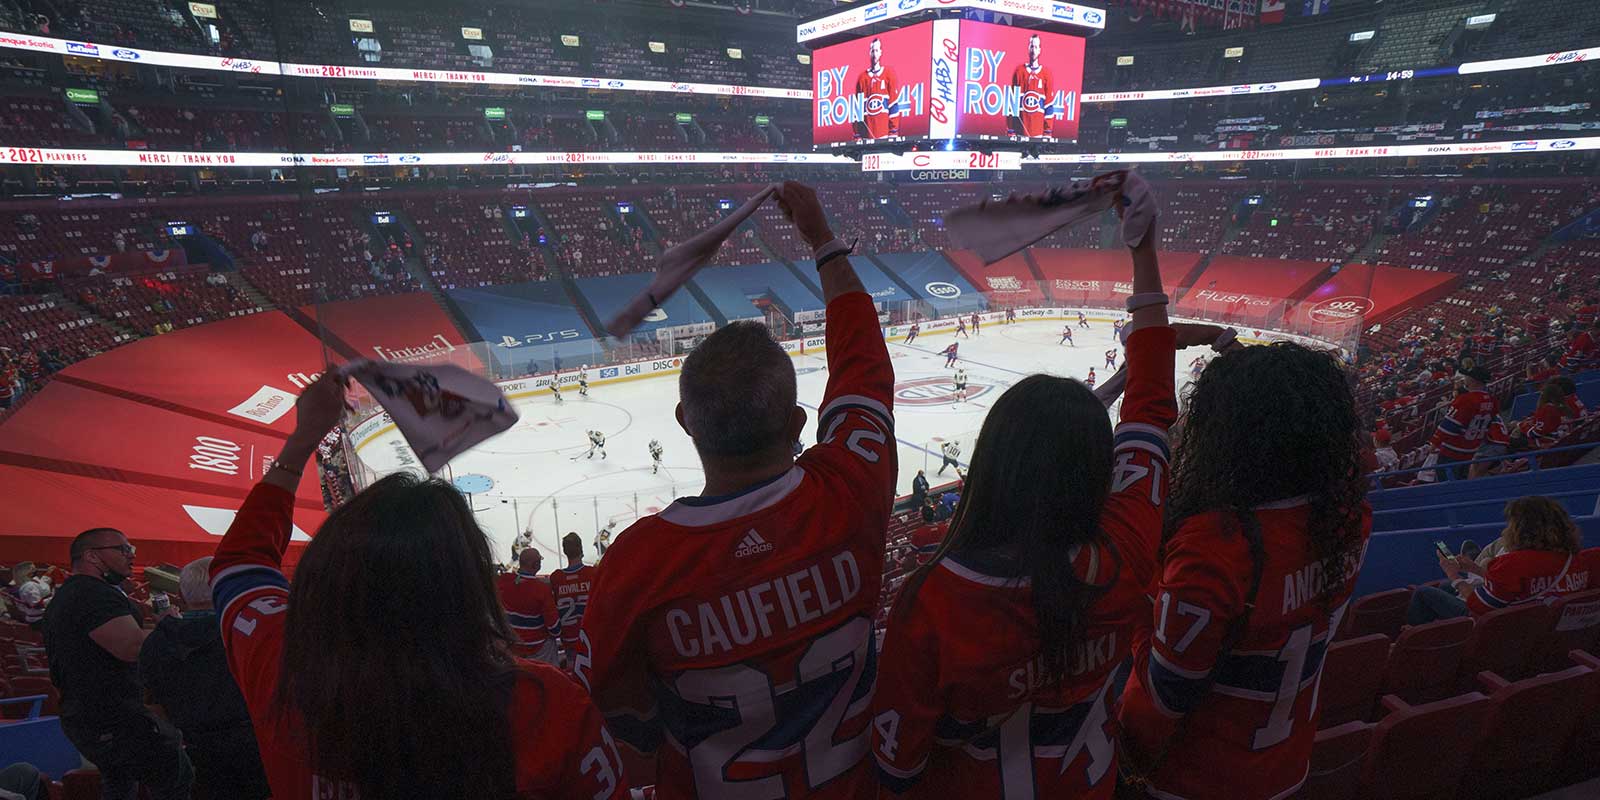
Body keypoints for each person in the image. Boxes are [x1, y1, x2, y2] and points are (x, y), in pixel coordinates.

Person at [574, 181, 896, 800]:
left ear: (684, 422)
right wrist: (823, 241)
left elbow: (617, 718)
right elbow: (865, 371)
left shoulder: (637, 563)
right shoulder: (850, 491)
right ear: (799, 425)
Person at [210, 374, 627, 799]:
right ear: (470, 594)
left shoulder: (278, 668)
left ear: (326, 577)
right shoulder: (545, 708)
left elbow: (237, 566)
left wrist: (302, 440)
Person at [874, 219, 1177, 797]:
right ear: (1096, 470)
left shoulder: (933, 601)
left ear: (993, 462)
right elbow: (1150, 417)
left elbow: (897, 772)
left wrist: (1143, 256)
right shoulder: (1129, 550)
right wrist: (1144, 257)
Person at [1119, 339, 1372, 800]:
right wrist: (1236, 353)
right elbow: (1318, 425)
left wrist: (1138, 595)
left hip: (1189, 780)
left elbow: (1166, 695)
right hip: (1286, 768)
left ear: (1224, 434)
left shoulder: (1215, 548)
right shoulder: (1350, 518)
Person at [44, 528, 193, 800]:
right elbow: (131, 647)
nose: (131, 556)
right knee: (177, 778)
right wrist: (170, 628)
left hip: (90, 718)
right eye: (123, 549)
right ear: (92, 556)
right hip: (114, 719)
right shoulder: (94, 595)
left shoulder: (73, 594)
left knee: (120, 785)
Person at [139, 557, 270, 800]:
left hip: (191, 752)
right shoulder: (246, 633)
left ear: (180, 593)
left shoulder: (155, 642)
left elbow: (153, 704)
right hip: (253, 752)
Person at [1409, 497, 1592, 624]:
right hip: (1539, 624)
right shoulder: (1578, 559)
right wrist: (1474, 568)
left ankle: (1415, 640)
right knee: (1444, 587)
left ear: (1521, 529)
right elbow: (1513, 584)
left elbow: (1478, 606)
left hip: (1503, 630)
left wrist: (1454, 574)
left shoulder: (1514, 563)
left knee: (1423, 592)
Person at [1428, 365, 1508, 481]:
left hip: (1453, 450)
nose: (1464, 378)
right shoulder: (1491, 399)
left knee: (1447, 482)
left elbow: (1449, 426)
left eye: (1466, 376)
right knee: (1462, 480)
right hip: (1471, 449)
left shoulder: (1466, 399)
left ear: (1472, 380)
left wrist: (1434, 443)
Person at [498, 549, 562, 664]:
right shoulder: (541, 590)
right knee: (551, 643)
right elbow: (555, 629)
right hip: (537, 648)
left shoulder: (504, 581)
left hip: (513, 646)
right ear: (536, 565)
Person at [548, 533, 597, 666]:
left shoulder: (556, 577)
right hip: (590, 636)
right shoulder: (593, 573)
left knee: (573, 670)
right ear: (581, 549)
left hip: (568, 637)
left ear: (564, 551)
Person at [1008, 33, 1056, 137]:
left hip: (1038, 135)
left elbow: (1049, 105)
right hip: (1020, 133)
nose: (1033, 50)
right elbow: (1013, 103)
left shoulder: (1046, 74)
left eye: (1036, 47)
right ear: (1028, 48)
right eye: (1031, 46)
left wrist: (1047, 132)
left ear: (1040, 50)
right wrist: (1011, 129)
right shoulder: (1019, 71)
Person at [854, 38, 899, 139]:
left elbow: (893, 104)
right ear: (869, 52)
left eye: (877, 50)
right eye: (872, 50)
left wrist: (893, 132)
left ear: (881, 52)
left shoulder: (889, 74)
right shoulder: (862, 78)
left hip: (884, 136)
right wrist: (857, 134)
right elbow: (858, 110)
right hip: (866, 137)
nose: (874, 54)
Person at [1519, 382, 1570, 452]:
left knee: (1514, 439)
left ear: (1544, 396)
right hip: (1558, 436)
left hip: (1547, 441)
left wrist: (1521, 426)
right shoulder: (1562, 405)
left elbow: (1536, 433)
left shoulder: (1546, 409)